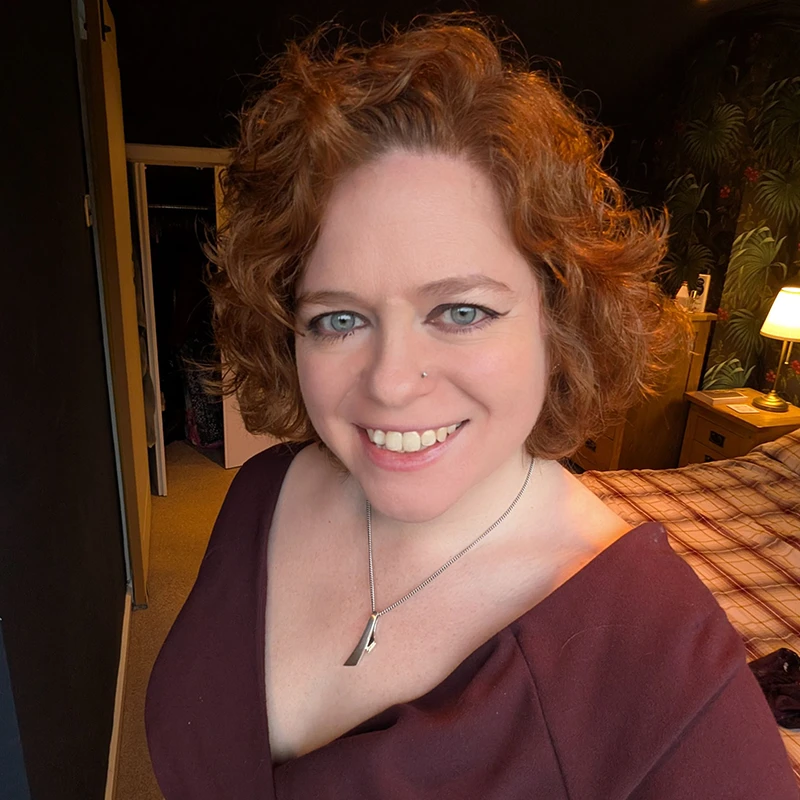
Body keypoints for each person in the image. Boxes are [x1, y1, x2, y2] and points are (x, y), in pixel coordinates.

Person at [145, 15, 798, 799]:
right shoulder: (263, 492)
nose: (391, 382)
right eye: (339, 318)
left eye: (461, 311)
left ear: (558, 319)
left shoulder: (669, 679)